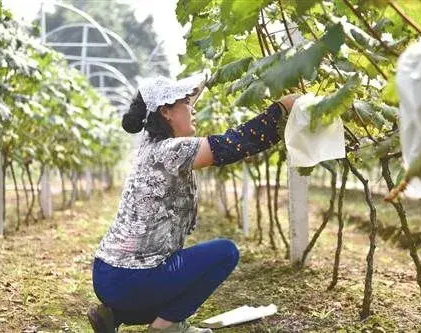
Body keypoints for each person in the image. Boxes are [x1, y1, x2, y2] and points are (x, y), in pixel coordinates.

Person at [88, 73, 297, 333]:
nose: (193, 110)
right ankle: (168, 326)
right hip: (131, 277)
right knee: (225, 252)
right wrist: (281, 109)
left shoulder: (149, 147)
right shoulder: (170, 151)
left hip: (107, 274)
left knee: (177, 274)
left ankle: (115, 314)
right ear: (166, 111)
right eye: (186, 103)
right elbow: (234, 144)